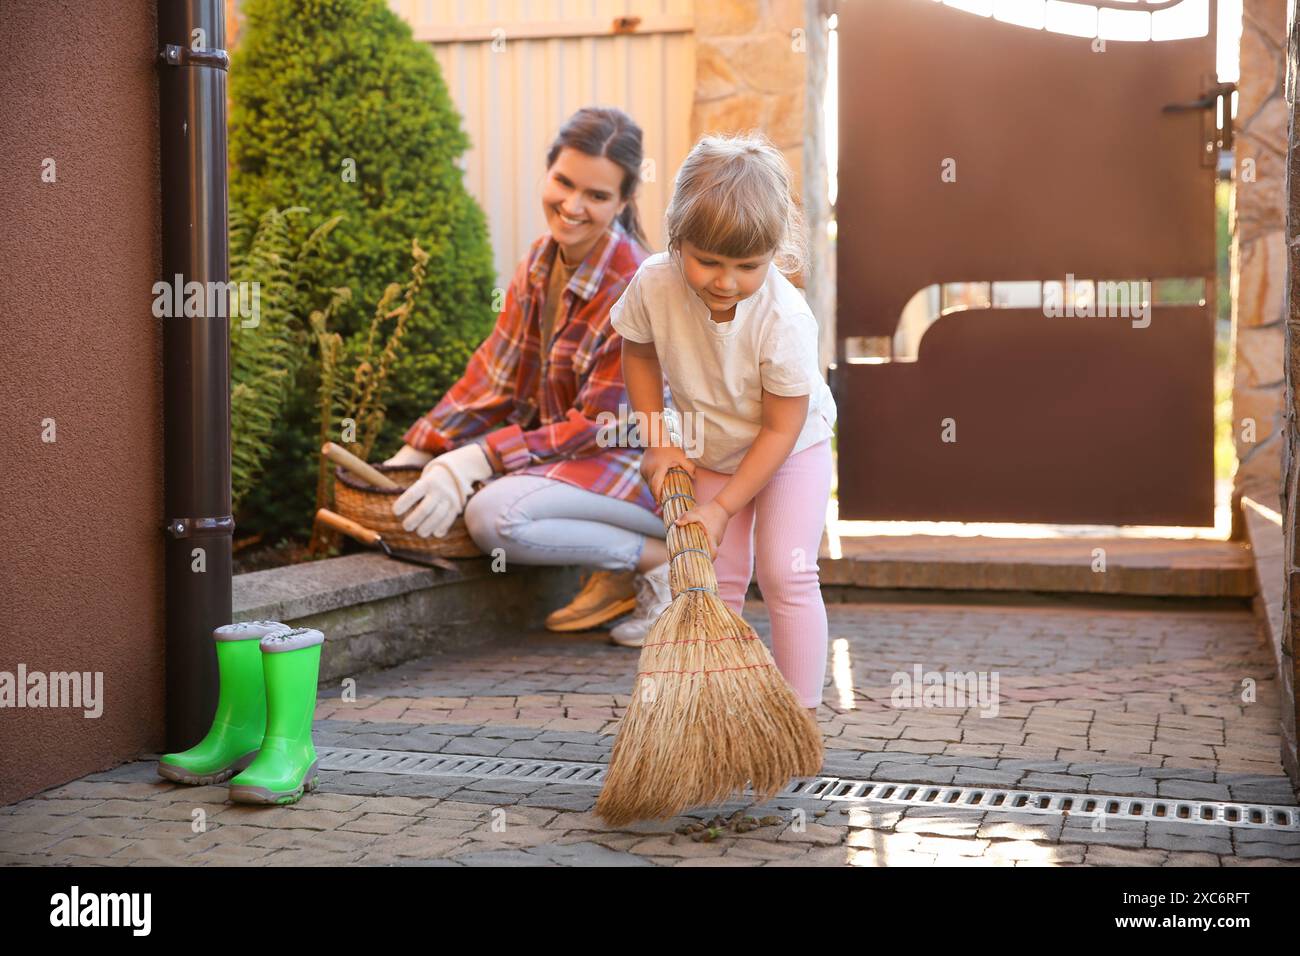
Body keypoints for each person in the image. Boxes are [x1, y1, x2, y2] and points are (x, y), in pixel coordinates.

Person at [383, 106, 674, 643]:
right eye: (563, 182)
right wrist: (420, 450)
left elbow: (600, 426)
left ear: (625, 201)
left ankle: (660, 564)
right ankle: (617, 572)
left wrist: (481, 456)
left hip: (647, 469)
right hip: (580, 461)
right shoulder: (540, 261)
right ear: (548, 171)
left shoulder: (636, 284)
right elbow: (495, 374)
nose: (572, 205)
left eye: (597, 195)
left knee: (494, 515)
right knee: (477, 489)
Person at [610, 132, 838, 715]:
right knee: (714, 578)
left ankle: (799, 717)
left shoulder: (785, 319)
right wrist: (659, 442)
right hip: (712, 447)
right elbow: (638, 351)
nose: (725, 280)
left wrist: (722, 507)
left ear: (773, 253)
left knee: (787, 573)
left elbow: (781, 430)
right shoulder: (656, 282)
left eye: (747, 266)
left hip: (791, 451)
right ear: (676, 238)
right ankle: (717, 716)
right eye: (707, 260)